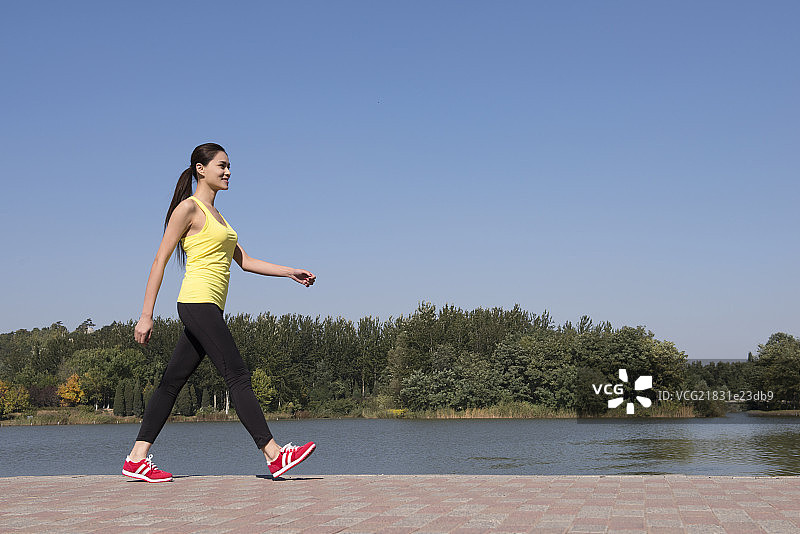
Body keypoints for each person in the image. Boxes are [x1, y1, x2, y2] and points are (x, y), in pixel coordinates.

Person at [122, 143, 316, 482]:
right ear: (201, 169)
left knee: (171, 382)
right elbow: (159, 260)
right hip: (197, 303)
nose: (228, 172)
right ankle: (274, 454)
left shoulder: (219, 218)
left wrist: (289, 272)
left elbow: (246, 261)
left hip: (209, 307)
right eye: (221, 165)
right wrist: (146, 314)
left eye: (229, 167)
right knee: (237, 375)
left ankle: (136, 458)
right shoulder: (188, 208)